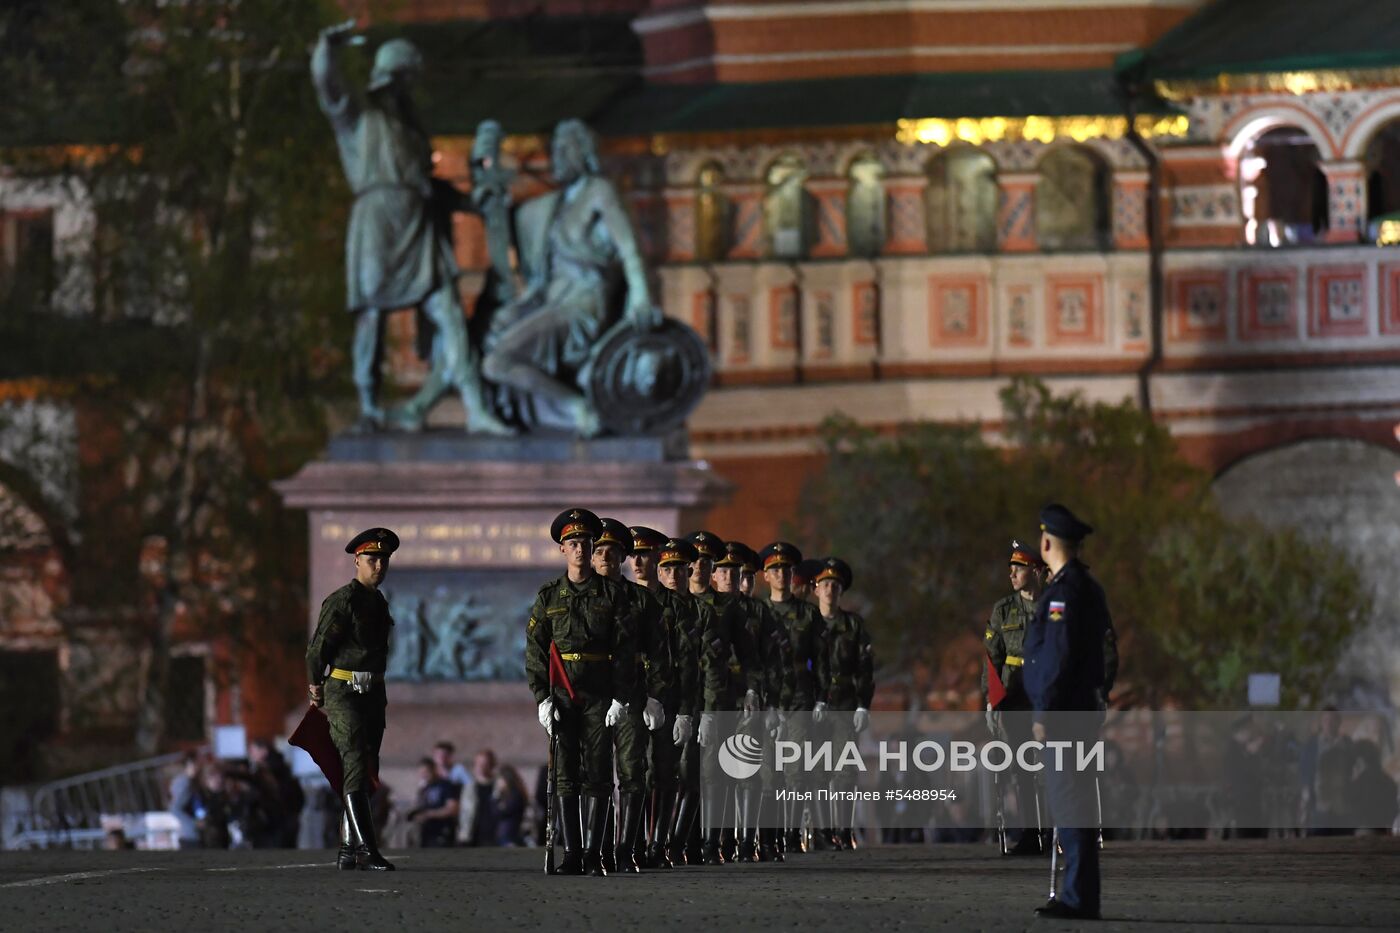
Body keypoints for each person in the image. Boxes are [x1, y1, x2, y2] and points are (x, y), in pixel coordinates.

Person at [310, 21, 511, 436]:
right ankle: (368, 405)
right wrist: (327, 49)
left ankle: (475, 410)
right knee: (371, 316)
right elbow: (327, 87)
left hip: (419, 229)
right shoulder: (358, 118)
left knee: (451, 314)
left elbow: (430, 188)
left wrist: (473, 204)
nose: (411, 88)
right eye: (408, 79)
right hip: (378, 228)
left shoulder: (414, 133)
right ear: (394, 77)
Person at [481, 120, 662, 436]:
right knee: (493, 335)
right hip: (552, 302)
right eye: (554, 151)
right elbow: (543, 275)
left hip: (582, 307)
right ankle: (563, 413)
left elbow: (630, 248)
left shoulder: (600, 192)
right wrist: (518, 307)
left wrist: (642, 297)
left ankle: (577, 407)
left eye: (565, 150)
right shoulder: (557, 205)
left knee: (497, 362)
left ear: (584, 153)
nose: (557, 158)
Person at [525, 508, 637, 876]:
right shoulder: (549, 595)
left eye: (585, 543)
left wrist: (621, 697)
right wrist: (541, 697)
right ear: (562, 549)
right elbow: (536, 649)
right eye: (572, 543)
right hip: (562, 695)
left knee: (600, 773)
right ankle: (573, 853)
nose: (579, 549)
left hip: (599, 693)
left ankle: (594, 854)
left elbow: (624, 649)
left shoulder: (611, 593)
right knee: (565, 773)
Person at [1024, 504, 1111, 920]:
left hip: (1064, 714)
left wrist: (1044, 711)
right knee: (1076, 802)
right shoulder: (1088, 588)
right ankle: (1079, 892)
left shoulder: (1063, 593)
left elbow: (1056, 658)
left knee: (1068, 802)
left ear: (1046, 543)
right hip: (1082, 709)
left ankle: (1077, 897)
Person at [306, 526, 400, 871]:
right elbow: (318, 651)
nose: (379, 565)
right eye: (372, 559)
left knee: (365, 767)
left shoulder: (377, 601)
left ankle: (348, 848)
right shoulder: (342, 601)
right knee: (357, 763)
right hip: (345, 692)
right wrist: (315, 686)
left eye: (384, 559)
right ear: (357, 561)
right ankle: (366, 848)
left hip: (373, 693)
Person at [594, 518, 670, 872]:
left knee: (631, 772)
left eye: (612, 550)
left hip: (631, 695)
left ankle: (626, 848)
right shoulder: (577, 596)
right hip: (592, 696)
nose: (605, 556)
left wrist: (655, 695)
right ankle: (598, 848)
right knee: (593, 774)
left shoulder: (640, 599)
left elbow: (659, 652)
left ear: (622, 556)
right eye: (599, 550)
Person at [628, 525, 700, 869]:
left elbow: (688, 663)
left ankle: (659, 843)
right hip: (630, 699)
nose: (637, 561)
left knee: (664, 772)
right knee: (633, 772)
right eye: (633, 555)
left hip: (668, 699)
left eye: (644, 554)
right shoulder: (623, 598)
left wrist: (686, 711)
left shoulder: (678, 606)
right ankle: (633, 843)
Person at [687, 530, 752, 865]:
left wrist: (750, 691)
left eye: (705, 561)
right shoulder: (676, 603)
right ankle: (683, 841)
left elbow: (746, 654)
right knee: (682, 771)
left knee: (715, 771)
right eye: (695, 560)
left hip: (718, 697)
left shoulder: (727, 607)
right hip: (679, 696)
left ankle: (713, 842)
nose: (699, 567)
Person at [758, 540, 825, 860]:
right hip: (768, 698)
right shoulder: (757, 612)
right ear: (765, 576)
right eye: (775, 570)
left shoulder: (809, 615)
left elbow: (821, 660)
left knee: (796, 769)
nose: (781, 575)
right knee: (769, 770)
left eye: (786, 569)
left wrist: (822, 699)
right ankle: (768, 838)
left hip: (800, 696)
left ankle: (791, 834)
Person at [983, 540, 1048, 856]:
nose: (1012, 574)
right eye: (1010, 569)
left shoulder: (1053, 606)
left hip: (1045, 692)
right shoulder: (1003, 609)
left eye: (1018, 569)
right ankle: (1030, 834)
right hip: (1014, 694)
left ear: (1035, 571)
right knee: (1022, 767)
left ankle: (1051, 832)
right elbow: (992, 656)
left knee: (1048, 766)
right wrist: (990, 700)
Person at [653, 535, 709, 866]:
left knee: (690, 775)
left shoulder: (702, 613)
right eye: (667, 568)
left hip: (696, 702)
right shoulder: (652, 610)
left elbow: (708, 665)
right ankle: (654, 844)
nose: (673, 575)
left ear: (689, 571)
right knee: (657, 775)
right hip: (661, 702)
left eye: (678, 568)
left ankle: (677, 843)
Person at [813, 557, 874, 851]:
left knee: (846, 770)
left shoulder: (853, 624)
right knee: (817, 769)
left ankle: (844, 829)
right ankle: (823, 831)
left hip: (846, 704)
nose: (829, 590)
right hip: (815, 704)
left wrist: (864, 705)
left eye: (835, 586)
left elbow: (865, 667)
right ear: (816, 589)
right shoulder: (808, 622)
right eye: (825, 584)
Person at [409, 757, 461, 847]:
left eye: (426, 772)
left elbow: (452, 809)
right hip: (425, 834)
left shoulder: (446, 785)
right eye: (421, 773)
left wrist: (428, 814)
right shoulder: (424, 789)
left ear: (434, 769)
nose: (424, 775)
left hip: (442, 832)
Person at [169, 752, 202, 850]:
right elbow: (175, 808)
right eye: (195, 763)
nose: (198, 766)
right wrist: (194, 823)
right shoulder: (185, 783)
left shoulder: (192, 781)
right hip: (190, 835)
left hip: (191, 834)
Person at [467, 749, 499, 846]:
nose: (481, 767)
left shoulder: (499, 785)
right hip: (473, 834)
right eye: (479, 763)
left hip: (494, 834)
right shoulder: (468, 787)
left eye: (485, 763)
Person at [493, 765, 530, 846]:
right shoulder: (507, 795)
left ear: (506, 779)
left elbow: (500, 812)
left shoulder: (515, 795)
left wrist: (495, 798)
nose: (498, 782)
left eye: (500, 779)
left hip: (509, 835)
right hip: (506, 835)